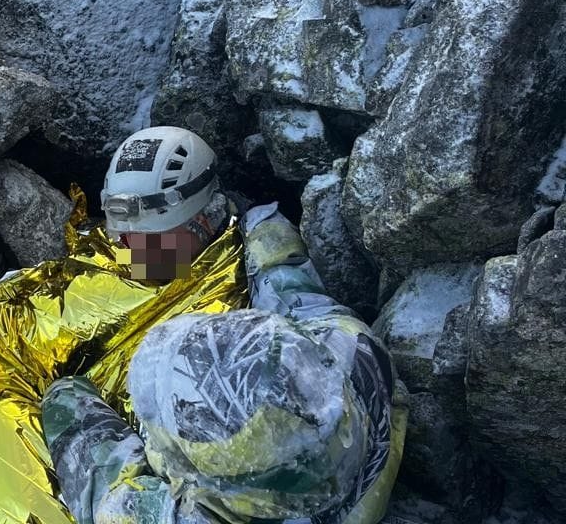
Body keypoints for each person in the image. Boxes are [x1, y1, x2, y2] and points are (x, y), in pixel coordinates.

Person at [40, 126, 406, 524]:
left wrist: (65, 395)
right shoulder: (359, 375)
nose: (131, 249)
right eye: (125, 237)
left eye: (153, 239)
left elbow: (109, 490)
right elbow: (311, 313)